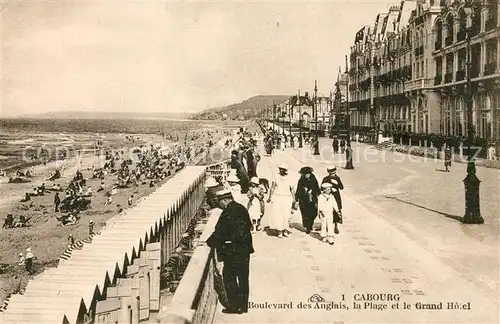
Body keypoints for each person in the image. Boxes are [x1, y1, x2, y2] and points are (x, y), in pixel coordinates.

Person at [206, 189, 254, 314]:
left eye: (220, 202)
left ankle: (233, 306)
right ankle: (243, 306)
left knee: (229, 277)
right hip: (245, 249)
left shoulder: (227, 212)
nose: (219, 205)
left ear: (225, 200)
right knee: (243, 278)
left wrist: (208, 242)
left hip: (233, 251)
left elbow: (220, 232)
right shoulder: (241, 208)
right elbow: (248, 225)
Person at [267, 164, 295, 238]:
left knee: (286, 215)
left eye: (283, 169)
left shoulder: (290, 177)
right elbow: (272, 187)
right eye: (280, 169)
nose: (281, 170)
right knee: (278, 214)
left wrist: (294, 199)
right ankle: (279, 230)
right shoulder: (275, 176)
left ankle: (285, 230)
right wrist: (270, 197)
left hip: (287, 198)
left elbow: (292, 189)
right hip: (277, 197)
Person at [295, 166, 320, 234]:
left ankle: (310, 224)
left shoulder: (313, 179)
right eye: (305, 174)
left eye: (308, 173)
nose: (307, 175)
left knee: (313, 213)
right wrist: (296, 198)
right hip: (303, 200)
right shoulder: (301, 180)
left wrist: (315, 192)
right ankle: (307, 227)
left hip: (313, 199)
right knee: (305, 213)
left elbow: (317, 188)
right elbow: (298, 190)